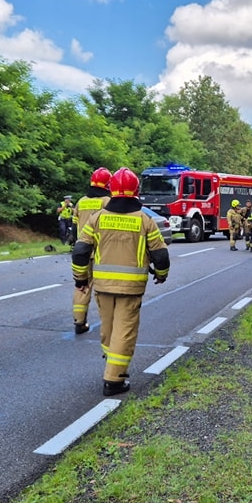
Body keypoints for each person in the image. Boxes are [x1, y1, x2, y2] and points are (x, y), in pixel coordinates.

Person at [72, 167, 170, 396]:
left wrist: (81, 279)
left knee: (108, 328)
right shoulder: (145, 220)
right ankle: (114, 380)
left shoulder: (98, 218)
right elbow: (161, 255)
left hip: (103, 285)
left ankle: (111, 359)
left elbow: (80, 251)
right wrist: (161, 274)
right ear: (137, 191)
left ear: (112, 191)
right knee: (124, 331)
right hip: (131, 288)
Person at [71, 167, 114, 334]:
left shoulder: (81, 202)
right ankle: (108, 323)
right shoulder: (107, 202)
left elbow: (74, 227)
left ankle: (79, 322)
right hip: (101, 252)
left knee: (82, 286)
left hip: (82, 251)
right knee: (105, 288)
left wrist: (76, 246)